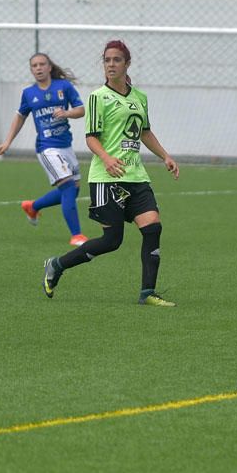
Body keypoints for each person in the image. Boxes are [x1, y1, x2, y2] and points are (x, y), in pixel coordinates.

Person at [42, 40, 179, 307]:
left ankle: (147, 292)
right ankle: (57, 265)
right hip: (107, 178)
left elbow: (145, 132)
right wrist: (106, 159)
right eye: (107, 60)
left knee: (153, 227)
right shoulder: (98, 97)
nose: (111, 65)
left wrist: (165, 156)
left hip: (136, 175)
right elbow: (91, 138)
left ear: (127, 63)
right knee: (112, 240)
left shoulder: (140, 97)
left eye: (116, 60)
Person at [0, 53, 88, 246]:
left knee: (73, 190)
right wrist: (8, 141)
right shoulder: (29, 93)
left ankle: (33, 207)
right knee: (68, 187)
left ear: (49, 67)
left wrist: (67, 113)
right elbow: (20, 117)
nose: (38, 68)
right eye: (34, 66)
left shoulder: (64, 87)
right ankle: (77, 235)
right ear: (32, 70)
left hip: (66, 146)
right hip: (47, 148)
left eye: (41, 64)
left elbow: (81, 110)